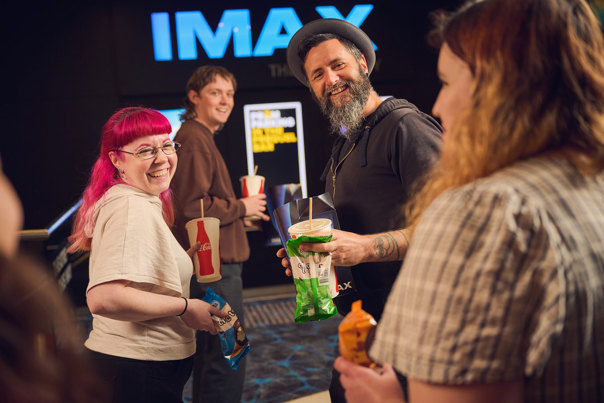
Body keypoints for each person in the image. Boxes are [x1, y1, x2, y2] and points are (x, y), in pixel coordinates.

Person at [334, 0, 604, 402]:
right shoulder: (590, 183)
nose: (438, 106)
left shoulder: (486, 211)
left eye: (445, 81)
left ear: (500, 85)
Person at [280, 18, 443, 401]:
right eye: (317, 74)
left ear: (363, 65)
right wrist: (316, 256)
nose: (331, 79)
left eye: (338, 65)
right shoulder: (346, 141)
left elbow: (454, 229)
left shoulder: (406, 126)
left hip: (416, 322)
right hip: (365, 320)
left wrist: (367, 248)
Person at [68, 107, 225, 403]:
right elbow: (104, 298)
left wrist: (177, 260)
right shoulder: (131, 207)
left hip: (138, 369)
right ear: (117, 159)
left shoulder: (137, 199)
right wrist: (185, 307)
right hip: (136, 370)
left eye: (167, 145)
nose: (162, 158)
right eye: (145, 150)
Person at [170, 65, 269, 403]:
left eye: (230, 93)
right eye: (216, 92)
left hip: (214, 267)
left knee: (215, 352)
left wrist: (237, 208)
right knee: (229, 350)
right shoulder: (194, 139)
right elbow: (193, 208)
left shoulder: (197, 137)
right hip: (214, 270)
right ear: (194, 97)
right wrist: (241, 206)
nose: (225, 100)